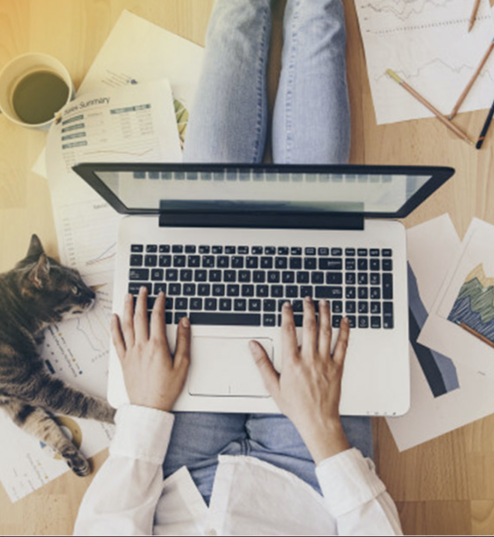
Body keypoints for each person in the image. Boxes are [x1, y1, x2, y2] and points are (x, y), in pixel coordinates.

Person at [74, 0, 403, 534]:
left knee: (206, 222)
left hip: (174, 481)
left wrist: (145, 414)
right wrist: (322, 428)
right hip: (312, 485)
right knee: (315, 230)